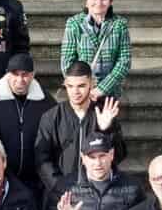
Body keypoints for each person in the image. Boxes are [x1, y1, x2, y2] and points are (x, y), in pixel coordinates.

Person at [34, 62, 126, 195]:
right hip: (61, 193)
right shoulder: (52, 117)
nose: (75, 92)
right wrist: (59, 186)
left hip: (96, 193)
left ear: (91, 84)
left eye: (81, 86)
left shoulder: (103, 113)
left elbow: (118, 156)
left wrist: (106, 129)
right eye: (70, 86)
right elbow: (41, 158)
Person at [0, 53, 53, 176]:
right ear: (7, 74)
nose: (20, 80)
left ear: (33, 75)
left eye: (25, 75)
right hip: (2, 176)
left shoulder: (47, 103)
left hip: (37, 177)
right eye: (15, 74)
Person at [59, 0, 132, 100]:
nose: (98, 3)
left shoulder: (119, 24)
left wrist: (102, 89)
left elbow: (124, 61)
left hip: (110, 93)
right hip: (82, 94)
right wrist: (82, 87)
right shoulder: (74, 24)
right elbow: (67, 61)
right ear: (86, 1)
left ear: (110, 1)